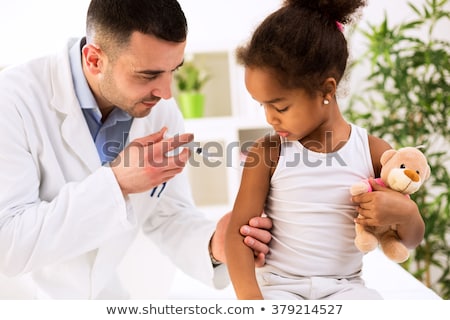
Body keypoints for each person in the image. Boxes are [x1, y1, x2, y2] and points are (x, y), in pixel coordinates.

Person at [0, 0, 272, 299]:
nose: (166, 92)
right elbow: (9, 244)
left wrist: (213, 245)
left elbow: (168, 216)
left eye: (173, 70)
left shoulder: (158, 109)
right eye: (148, 75)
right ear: (94, 60)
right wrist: (117, 183)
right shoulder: (12, 100)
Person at [225, 0, 425, 300]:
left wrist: (407, 213)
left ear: (327, 90)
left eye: (280, 106)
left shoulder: (373, 152)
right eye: (262, 105)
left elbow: (410, 240)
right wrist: (253, 304)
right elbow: (236, 234)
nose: (269, 117)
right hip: (280, 287)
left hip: (345, 287)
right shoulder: (268, 152)